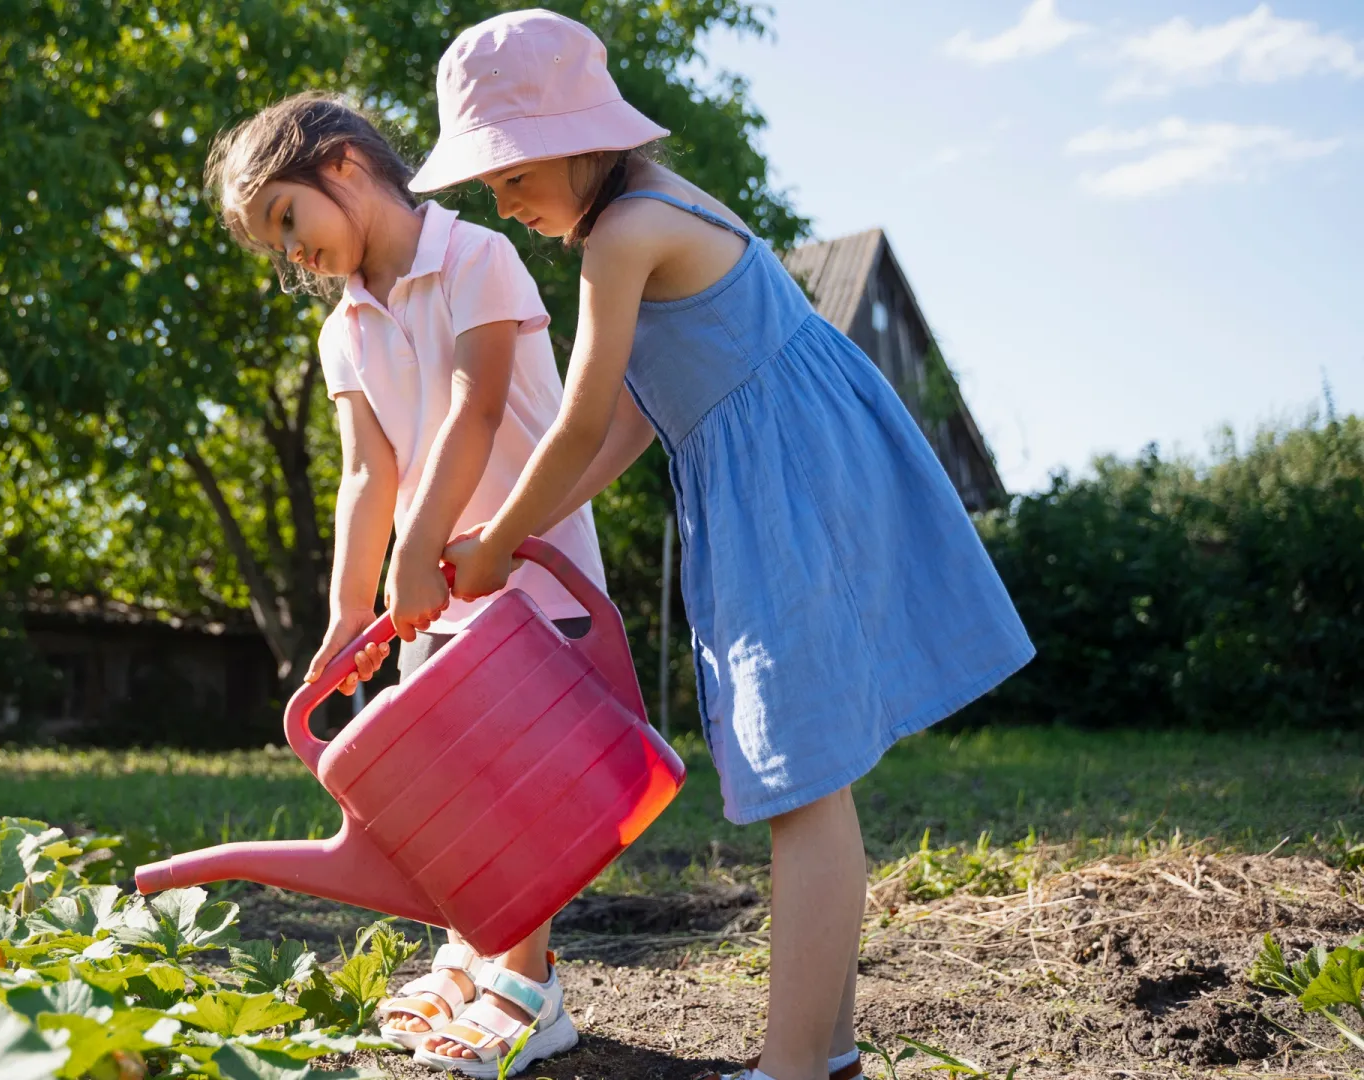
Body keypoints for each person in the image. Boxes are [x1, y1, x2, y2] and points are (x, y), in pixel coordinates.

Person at [422, 12, 1035, 1080]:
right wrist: (512, 540)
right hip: (783, 475)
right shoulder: (643, 219)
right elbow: (630, 418)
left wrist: (499, 541)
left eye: (508, 174)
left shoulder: (624, 235)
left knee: (801, 783)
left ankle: (794, 1067)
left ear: (572, 142)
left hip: (786, 485)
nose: (503, 203)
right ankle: (826, 1054)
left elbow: (574, 418)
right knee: (810, 780)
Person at [204, 90, 608, 1075]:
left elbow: (476, 408)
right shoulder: (344, 326)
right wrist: (352, 613)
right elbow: (363, 472)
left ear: (342, 165)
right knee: (451, 799)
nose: (292, 256)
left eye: (288, 222)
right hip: (425, 602)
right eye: (276, 250)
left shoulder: (478, 257)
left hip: (522, 580)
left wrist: (415, 549)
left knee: (518, 801)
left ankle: (530, 990)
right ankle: (470, 961)